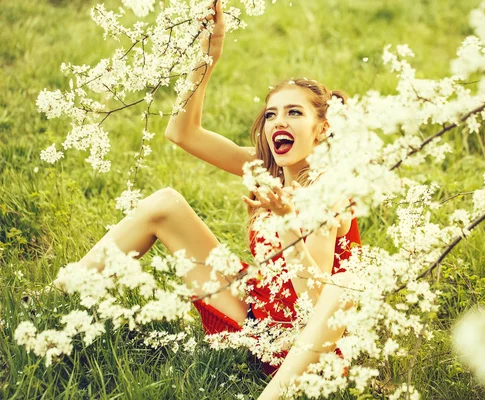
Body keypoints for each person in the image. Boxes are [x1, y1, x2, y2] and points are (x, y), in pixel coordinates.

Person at [73, 1, 360, 398]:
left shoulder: (330, 189)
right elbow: (182, 133)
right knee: (164, 204)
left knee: (345, 284)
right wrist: (209, 53)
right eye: (272, 114)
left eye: (294, 113)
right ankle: (52, 302)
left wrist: (290, 221)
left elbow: (316, 302)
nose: (279, 121)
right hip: (257, 318)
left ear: (322, 128)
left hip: (305, 349)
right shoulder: (267, 171)